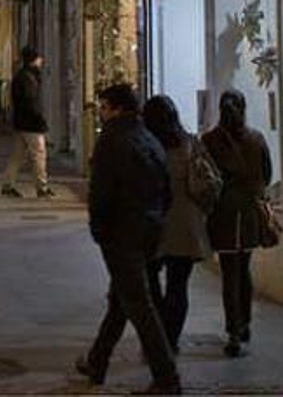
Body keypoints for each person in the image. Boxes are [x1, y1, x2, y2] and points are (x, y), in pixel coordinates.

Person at [75, 83, 181, 395]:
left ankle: (167, 378)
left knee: (139, 305)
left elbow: (102, 192)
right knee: (121, 300)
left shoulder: (112, 140)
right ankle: (98, 360)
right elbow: (167, 189)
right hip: (148, 230)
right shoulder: (148, 138)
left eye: (104, 107)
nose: (102, 113)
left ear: (117, 108)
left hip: (123, 234)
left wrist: (99, 229)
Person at [142, 95, 219, 354]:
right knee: (178, 285)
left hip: (152, 223)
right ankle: (170, 339)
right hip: (185, 224)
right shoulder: (189, 143)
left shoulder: (146, 146)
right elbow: (211, 180)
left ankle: (157, 338)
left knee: (150, 285)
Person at [201, 90, 273, 357]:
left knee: (230, 274)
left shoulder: (209, 140)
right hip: (250, 213)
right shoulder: (256, 139)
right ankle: (245, 324)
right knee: (244, 270)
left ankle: (233, 330)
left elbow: (203, 179)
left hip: (223, 215)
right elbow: (267, 173)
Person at [1, 46, 53, 198]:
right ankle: (41, 187)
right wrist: (39, 120)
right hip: (31, 123)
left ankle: (8, 185)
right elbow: (30, 102)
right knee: (39, 154)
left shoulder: (21, 76)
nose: (41, 61)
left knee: (17, 156)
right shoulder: (28, 78)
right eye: (39, 58)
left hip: (20, 122)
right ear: (34, 60)